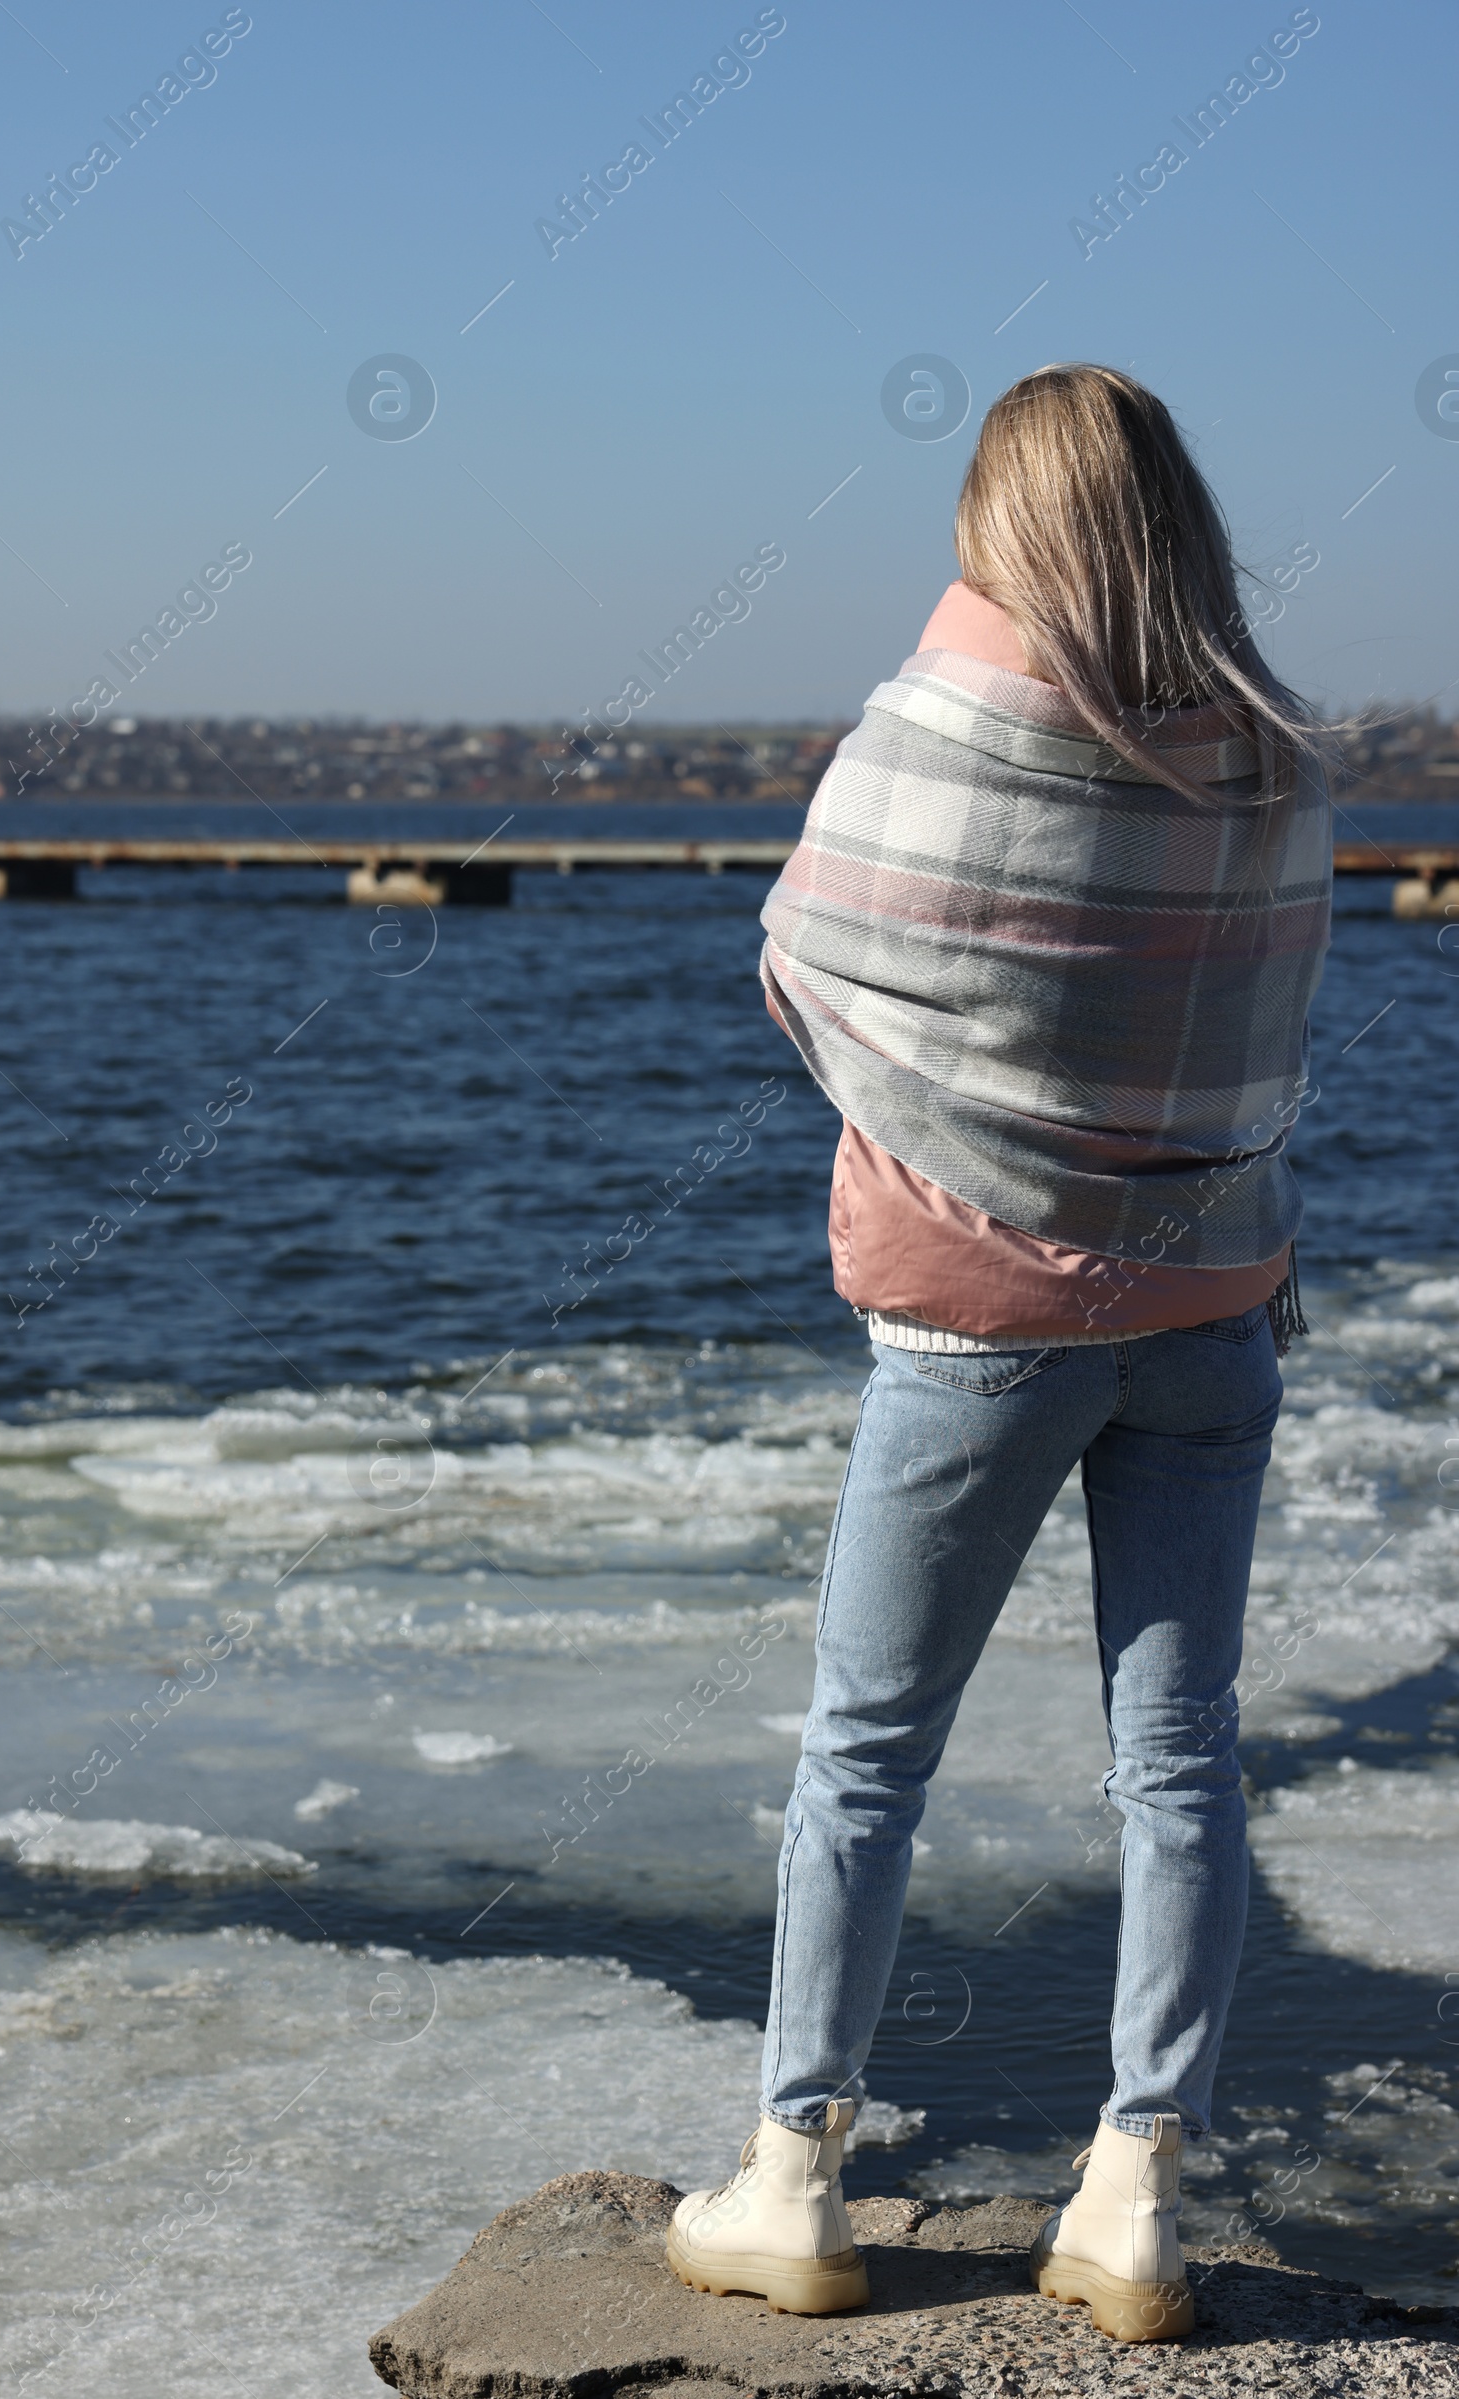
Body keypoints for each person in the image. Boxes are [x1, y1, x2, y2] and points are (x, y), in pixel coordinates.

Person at [665, 365, 1333, 2342]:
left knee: (867, 1750)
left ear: (999, 520)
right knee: (1180, 1757)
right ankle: (1132, 2194)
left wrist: (963, 1125)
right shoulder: (1277, 755)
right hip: (1210, 1307)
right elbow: (1259, 1038)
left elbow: (807, 956)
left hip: (980, 1322)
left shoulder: (941, 715)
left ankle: (791, 2176)